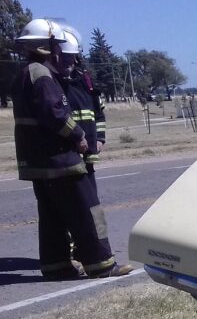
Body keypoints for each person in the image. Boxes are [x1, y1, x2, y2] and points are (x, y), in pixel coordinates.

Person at [12, 19, 132, 279]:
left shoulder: (25, 73)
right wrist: (78, 136)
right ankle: (101, 264)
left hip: (40, 162)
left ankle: (56, 267)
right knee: (87, 211)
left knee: (52, 216)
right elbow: (55, 113)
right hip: (61, 159)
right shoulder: (42, 75)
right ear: (48, 46)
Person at [59, 28, 105, 192]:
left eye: (71, 56)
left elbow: (99, 113)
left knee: (91, 201)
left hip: (88, 155)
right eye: (64, 57)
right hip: (67, 155)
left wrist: (100, 139)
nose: (68, 61)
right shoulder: (53, 84)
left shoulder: (86, 82)